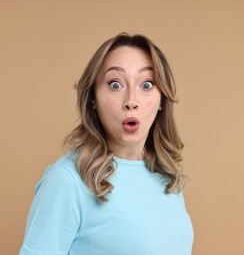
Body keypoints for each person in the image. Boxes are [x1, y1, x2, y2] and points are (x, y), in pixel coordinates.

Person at [19, 33, 194, 255]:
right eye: (115, 84)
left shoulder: (168, 177)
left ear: (161, 100)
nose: (131, 101)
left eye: (146, 84)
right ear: (92, 99)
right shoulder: (67, 180)